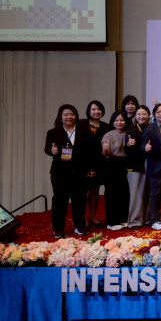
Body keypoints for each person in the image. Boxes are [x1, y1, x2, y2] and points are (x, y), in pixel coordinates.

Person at [45, 104, 88, 238]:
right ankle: (58, 228)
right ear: (60, 116)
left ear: (76, 116)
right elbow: (47, 149)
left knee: (79, 200)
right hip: (60, 172)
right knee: (60, 201)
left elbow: (90, 150)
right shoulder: (53, 132)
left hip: (79, 171)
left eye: (72, 114)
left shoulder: (83, 131)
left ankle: (80, 225)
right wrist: (52, 151)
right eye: (66, 115)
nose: (69, 117)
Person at [78, 100, 111, 228]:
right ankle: (82, 217)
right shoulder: (81, 124)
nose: (96, 112)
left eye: (99, 109)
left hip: (99, 163)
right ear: (89, 111)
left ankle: (93, 215)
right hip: (83, 164)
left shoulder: (106, 127)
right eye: (93, 109)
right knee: (81, 191)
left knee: (95, 190)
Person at [142, 103, 161, 231]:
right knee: (155, 194)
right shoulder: (150, 128)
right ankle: (154, 219)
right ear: (154, 115)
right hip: (155, 165)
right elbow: (142, 146)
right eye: (158, 112)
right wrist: (145, 148)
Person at [101, 111, 130, 231]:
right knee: (112, 193)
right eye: (116, 120)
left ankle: (123, 218)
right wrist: (106, 149)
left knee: (124, 192)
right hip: (111, 164)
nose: (119, 122)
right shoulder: (108, 135)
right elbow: (104, 153)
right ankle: (112, 221)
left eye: (122, 120)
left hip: (125, 164)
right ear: (112, 122)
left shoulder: (129, 133)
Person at [124, 105, 150, 229]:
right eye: (139, 114)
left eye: (144, 114)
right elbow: (126, 151)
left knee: (148, 193)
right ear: (135, 116)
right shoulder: (131, 130)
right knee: (136, 193)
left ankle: (147, 218)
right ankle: (135, 221)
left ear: (149, 115)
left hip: (151, 164)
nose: (141, 116)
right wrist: (129, 144)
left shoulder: (152, 128)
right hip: (136, 165)